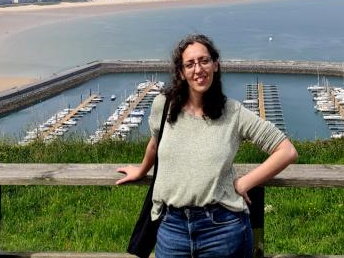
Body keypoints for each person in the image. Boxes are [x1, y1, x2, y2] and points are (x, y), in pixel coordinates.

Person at [116, 33, 298, 258]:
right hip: (171, 228)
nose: (198, 69)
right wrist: (141, 170)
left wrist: (244, 183)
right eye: (190, 64)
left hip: (223, 229)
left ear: (215, 65)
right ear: (181, 73)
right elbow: (155, 143)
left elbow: (286, 151)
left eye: (204, 61)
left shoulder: (233, 113)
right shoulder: (163, 105)